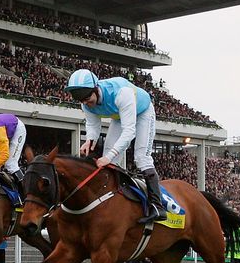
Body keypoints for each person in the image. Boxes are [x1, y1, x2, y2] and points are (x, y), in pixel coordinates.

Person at [64, 68, 166, 223]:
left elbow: (129, 132)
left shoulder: (121, 93)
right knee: (109, 161)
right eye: (82, 100)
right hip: (119, 116)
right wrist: (89, 140)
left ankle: (157, 207)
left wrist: (108, 156)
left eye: (87, 98)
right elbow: (93, 125)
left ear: (96, 89)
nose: (86, 103)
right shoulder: (86, 103)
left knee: (141, 157)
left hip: (143, 112)